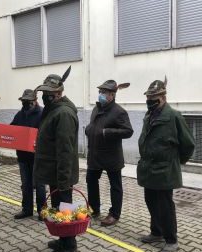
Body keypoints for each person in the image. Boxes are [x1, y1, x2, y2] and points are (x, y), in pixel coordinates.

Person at [137, 78, 195, 252]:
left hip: (164, 171)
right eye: (148, 97)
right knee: (150, 201)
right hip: (149, 168)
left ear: (162, 97)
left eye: (152, 97)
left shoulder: (173, 116)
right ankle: (156, 232)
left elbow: (188, 144)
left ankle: (171, 240)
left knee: (165, 206)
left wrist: (176, 162)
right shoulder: (149, 115)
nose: (149, 100)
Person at [34, 66, 79, 252]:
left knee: (65, 208)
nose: (45, 96)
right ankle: (63, 240)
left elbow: (65, 151)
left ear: (59, 93)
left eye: (49, 93)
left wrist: (63, 181)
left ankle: (69, 245)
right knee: (58, 208)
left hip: (61, 175)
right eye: (44, 92)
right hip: (54, 172)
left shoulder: (63, 114)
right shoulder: (54, 109)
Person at [85, 80, 133, 226]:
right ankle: (94, 209)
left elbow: (128, 131)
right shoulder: (96, 109)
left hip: (111, 155)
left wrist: (108, 132)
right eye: (100, 92)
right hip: (95, 154)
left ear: (112, 95)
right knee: (91, 180)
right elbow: (94, 125)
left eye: (104, 92)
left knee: (115, 185)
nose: (101, 95)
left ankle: (114, 214)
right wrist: (89, 129)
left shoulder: (119, 111)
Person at [10, 89, 46, 221]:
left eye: (28, 102)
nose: (26, 104)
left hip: (37, 156)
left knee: (39, 184)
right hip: (23, 156)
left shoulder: (42, 114)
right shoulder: (20, 114)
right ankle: (27, 209)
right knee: (26, 184)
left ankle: (42, 211)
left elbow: (45, 133)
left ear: (35, 101)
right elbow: (12, 129)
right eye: (24, 102)